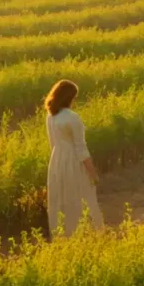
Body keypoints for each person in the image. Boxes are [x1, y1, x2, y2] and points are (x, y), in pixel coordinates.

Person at [44, 79, 104, 238]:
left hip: (56, 160)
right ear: (69, 97)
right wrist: (92, 173)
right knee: (81, 196)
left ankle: (63, 234)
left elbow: (52, 143)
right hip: (72, 161)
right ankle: (85, 233)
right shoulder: (72, 117)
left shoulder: (50, 116)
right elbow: (81, 148)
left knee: (61, 198)